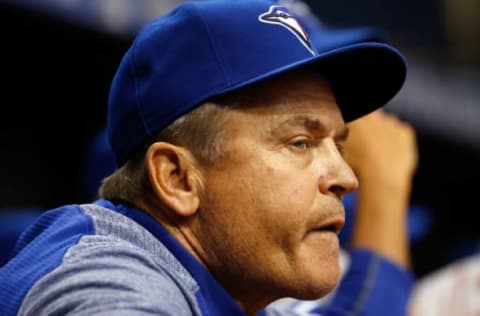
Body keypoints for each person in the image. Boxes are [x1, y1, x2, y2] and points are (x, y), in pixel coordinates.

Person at [0, 0, 410, 315]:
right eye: (300, 143)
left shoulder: (241, 293)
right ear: (177, 178)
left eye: (338, 146)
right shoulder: (104, 275)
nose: (346, 177)